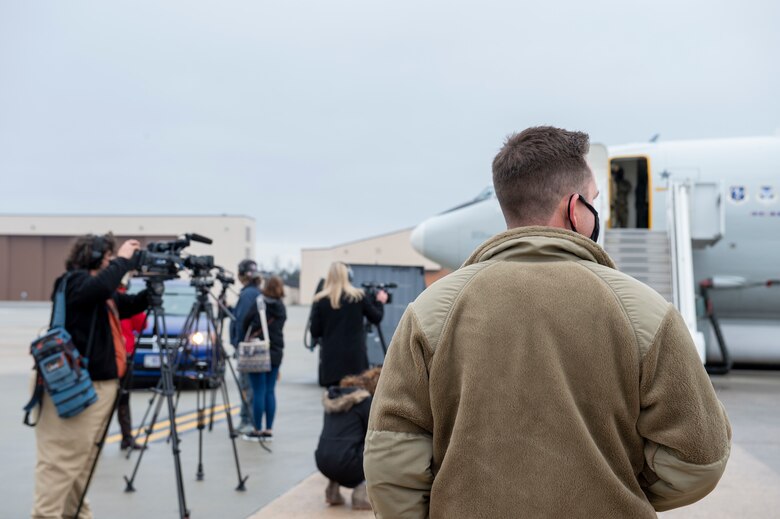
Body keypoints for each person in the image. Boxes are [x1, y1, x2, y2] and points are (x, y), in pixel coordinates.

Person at [364, 126, 732, 518]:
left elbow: (390, 462)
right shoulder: (645, 312)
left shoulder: (430, 311)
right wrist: (615, 487)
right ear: (576, 209)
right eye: (594, 201)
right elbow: (699, 459)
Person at [32, 234, 148, 519]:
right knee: (61, 463)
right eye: (109, 258)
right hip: (74, 388)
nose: (113, 264)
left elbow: (127, 304)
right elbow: (101, 286)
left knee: (82, 463)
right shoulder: (73, 283)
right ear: (95, 257)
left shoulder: (98, 293)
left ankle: (76, 513)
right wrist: (123, 260)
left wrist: (156, 287)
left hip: (97, 389)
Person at [309, 262, 387, 388]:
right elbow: (376, 318)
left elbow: (314, 331)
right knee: (356, 398)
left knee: (334, 400)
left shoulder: (320, 299)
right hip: (355, 358)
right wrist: (380, 302)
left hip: (331, 359)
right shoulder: (358, 297)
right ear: (348, 276)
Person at [315, 367, 381, 511]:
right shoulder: (365, 402)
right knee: (379, 445)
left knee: (340, 446)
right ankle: (361, 494)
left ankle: (333, 489)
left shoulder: (334, 398)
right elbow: (373, 435)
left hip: (322, 460)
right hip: (348, 463)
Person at [240, 275, 287, 442]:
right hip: (275, 351)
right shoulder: (281, 307)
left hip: (258, 350)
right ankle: (269, 430)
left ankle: (257, 429)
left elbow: (245, 323)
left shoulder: (259, 302)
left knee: (258, 390)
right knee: (270, 390)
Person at [230, 259, 263, 435]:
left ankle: (247, 420)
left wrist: (238, 343)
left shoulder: (247, 294)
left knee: (247, 386)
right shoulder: (253, 292)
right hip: (249, 346)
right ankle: (247, 418)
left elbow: (241, 321)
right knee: (249, 386)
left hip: (245, 348)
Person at [116, 279, 147, 450]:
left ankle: (97, 439)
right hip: (124, 356)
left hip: (114, 355)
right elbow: (143, 324)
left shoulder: (105, 297)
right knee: (123, 399)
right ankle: (127, 437)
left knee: (113, 399)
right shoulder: (123, 301)